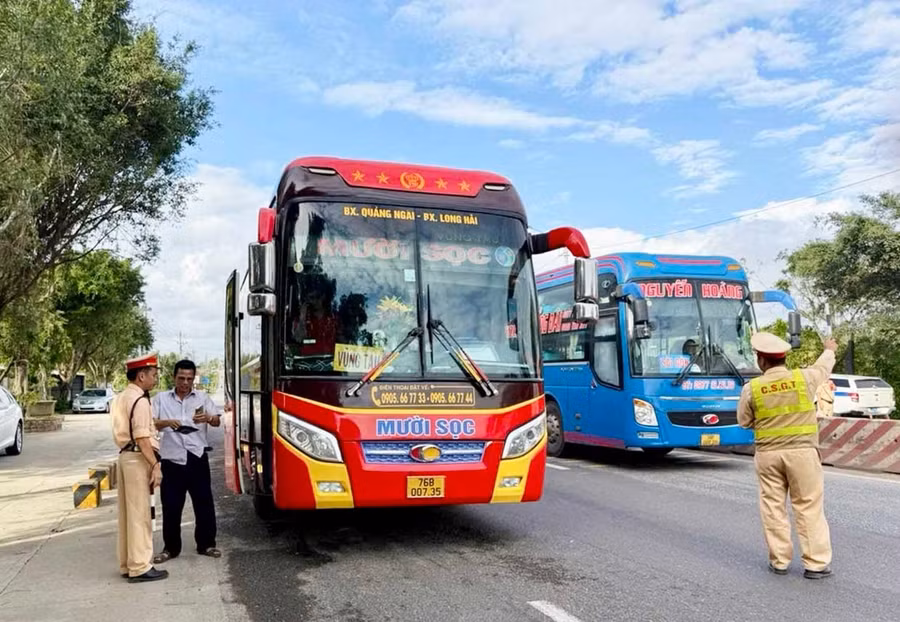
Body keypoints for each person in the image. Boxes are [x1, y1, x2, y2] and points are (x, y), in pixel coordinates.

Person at [737, 332, 837, 580]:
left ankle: (779, 560)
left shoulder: (752, 388)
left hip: (769, 455)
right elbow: (823, 367)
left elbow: (744, 421)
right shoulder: (804, 378)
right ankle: (815, 564)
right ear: (783, 357)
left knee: (773, 507)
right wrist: (829, 349)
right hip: (803, 454)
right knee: (808, 506)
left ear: (761, 360)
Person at [151, 359, 222, 563]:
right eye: (181, 378)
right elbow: (150, 423)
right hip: (172, 458)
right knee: (171, 505)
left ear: (194, 379)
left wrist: (208, 418)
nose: (185, 383)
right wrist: (166, 423)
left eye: (189, 379)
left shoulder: (202, 397)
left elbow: (217, 421)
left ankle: (206, 544)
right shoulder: (161, 399)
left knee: (204, 503)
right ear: (174, 377)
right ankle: (171, 548)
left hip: (197, 457)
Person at [111, 352, 168, 583]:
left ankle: (127, 563)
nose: (155, 379)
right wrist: (155, 465)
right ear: (141, 375)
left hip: (125, 456)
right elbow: (143, 438)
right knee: (141, 515)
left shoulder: (121, 397)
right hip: (138, 459)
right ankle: (140, 566)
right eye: (153, 375)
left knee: (127, 514)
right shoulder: (141, 401)